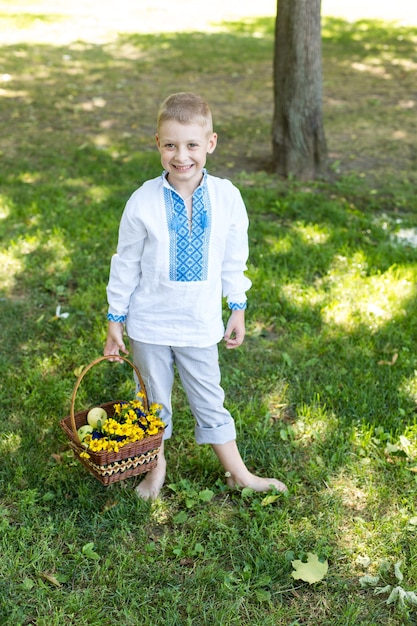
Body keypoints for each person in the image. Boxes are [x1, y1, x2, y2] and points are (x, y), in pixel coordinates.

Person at [104, 92, 288, 500]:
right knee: (152, 400)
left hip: (199, 323)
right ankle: (156, 469)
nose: (180, 155)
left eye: (191, 145)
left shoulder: (227, 198)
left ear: (211, 143)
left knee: (209, 397)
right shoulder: (142, 202)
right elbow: (126, 263)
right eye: (170, 145)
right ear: (157, 144)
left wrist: (237, 307)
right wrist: (115, 319)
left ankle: (239, 472)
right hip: (149, 323)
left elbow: (233, 260)